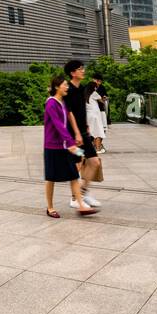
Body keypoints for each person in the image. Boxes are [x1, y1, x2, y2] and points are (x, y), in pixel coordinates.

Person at [44, 76, 97, 218]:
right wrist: (72, 143)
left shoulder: (63, 103)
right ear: (57, 87)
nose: (67, 87)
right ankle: (50, 208)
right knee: (51, 178)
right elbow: (59, 126)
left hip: (66, 146)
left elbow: (68, 120)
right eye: (64, 85)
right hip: (53, 147)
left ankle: (81, 206)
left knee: (74, 174)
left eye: (67, 85)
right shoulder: (51, 103)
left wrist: (75, 140)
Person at [64, 59, 102, 209]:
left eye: (82, 68)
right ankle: (74, 198)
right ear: (73, 73)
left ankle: (83, 193)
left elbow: (81, 110)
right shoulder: (69, 89)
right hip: (74, 136)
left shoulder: (81, 89)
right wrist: (77, 134)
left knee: (94, 162)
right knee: (78, 164)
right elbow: (69, 112)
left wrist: (85, 125)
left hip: (83, 133)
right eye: (80, 69)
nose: (83, 71)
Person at [85, 81, 106, 153]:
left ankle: (93, 148)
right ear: (94, 87)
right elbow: (102, 101)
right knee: (98, 131)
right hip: (95, 115)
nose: (96, 88)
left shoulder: (84, 94)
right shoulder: (94, 93)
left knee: (92, 131)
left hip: (88, 115)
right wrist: (104, 98)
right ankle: (98, 149)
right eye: (96, 87)